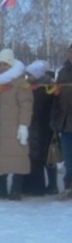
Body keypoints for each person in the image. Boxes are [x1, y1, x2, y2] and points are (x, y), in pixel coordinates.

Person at [0, 49, 32, 200]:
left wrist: (23, 126)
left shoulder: (21, 84)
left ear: (11, 66)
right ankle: (0, 188)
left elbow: (26, 106)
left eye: (5, 64)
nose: (1, 67)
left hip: (14, 129)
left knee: (18, 158)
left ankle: (16, 190)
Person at [24, 60, 56, 196]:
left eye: (30, 75)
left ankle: (41, 186)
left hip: (42, 126)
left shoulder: (42, 89)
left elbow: (37, 110)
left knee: (44, 156)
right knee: (45, 156)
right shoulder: (42, 86)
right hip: (43, 126)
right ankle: (50, 185)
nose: (27, 78)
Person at [50, 44, 72, 199]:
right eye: (70, 52)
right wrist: (54, 116)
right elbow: (56, 97)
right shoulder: (63, 72)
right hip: (66, 122)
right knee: (68, 157)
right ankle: (69, 187)